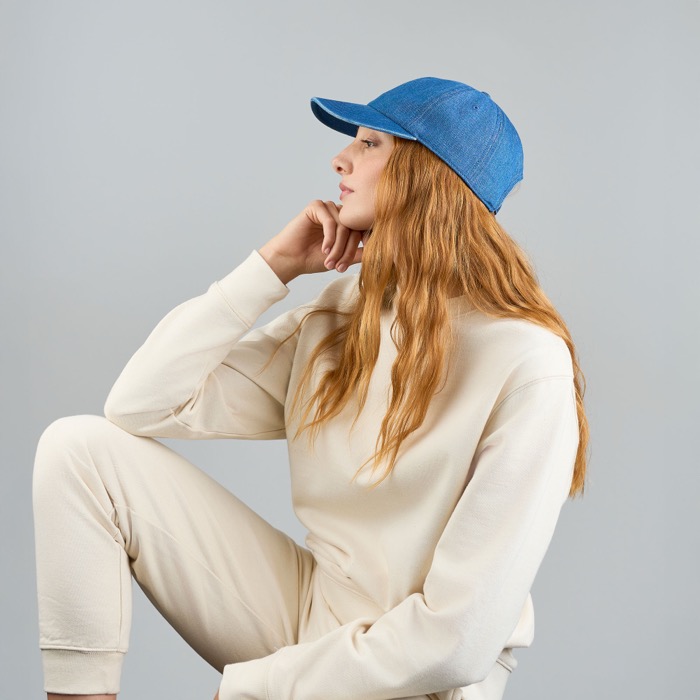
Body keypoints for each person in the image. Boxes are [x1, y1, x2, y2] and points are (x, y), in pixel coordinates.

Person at [32, 77, 589, 700]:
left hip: (417, 677)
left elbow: (458, 640)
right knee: (78, 450)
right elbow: (140, 405)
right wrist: (271, 267)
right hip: (306, 610)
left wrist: (259, 688)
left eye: (370, 144)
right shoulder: (347, 313)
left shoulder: (528, 364)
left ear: (427, 177)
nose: (340, 159)